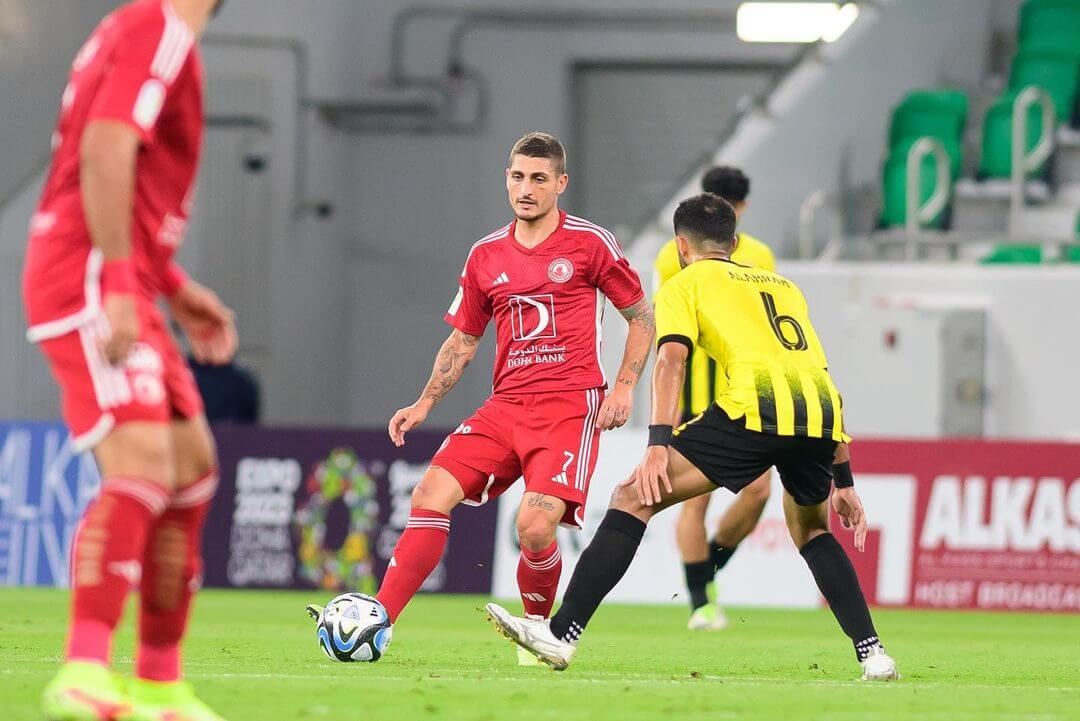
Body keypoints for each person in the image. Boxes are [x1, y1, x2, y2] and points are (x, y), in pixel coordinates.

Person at [486, 193, 900, 682]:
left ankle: (562, 634)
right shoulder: (784, 285)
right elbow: (819, 372)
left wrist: (657, 443)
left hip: (753, 407)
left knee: (631, 497)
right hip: (820, 414)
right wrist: (844, 478)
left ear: (682, 246)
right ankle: (874, 655)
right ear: (735, 241)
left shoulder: (686, 282)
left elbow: (671, 360)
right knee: (812, 530)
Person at [346, 132, 652, 663]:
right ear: (506, 178)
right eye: (517, 176)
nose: (526, 188)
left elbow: (641, 317)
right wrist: (424, 403)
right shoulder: (486, 253)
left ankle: (538, 633)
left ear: (561, 183)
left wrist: (623, 386)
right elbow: (463, 341)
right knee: (429, 495)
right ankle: (378, 621)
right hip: (505, 405)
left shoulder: (590, 243)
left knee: (533, 527)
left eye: (538, 178)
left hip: (569, 405)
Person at [23, 2, 235, 719]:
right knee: (142, 459)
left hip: (131, 278)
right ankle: (82, 672)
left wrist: (172, 287)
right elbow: (106, 146)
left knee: (191, 466)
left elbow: (126, 169)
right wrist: (116, 282)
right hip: (90, 274)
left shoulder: (147, 31)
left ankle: (158, 684)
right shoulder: (158, 25)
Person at [653, 166, 776, 630]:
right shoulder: (672, 255)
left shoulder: (760, 256)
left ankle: (706, 569)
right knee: (695, 500)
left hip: (747, 393)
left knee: (758, 492)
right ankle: (701, 602)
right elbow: (675, 333)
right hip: (696, 390)